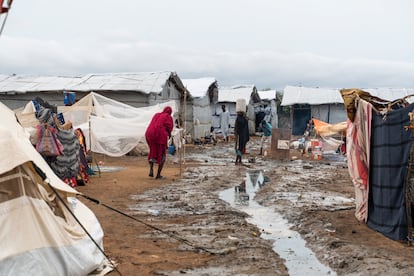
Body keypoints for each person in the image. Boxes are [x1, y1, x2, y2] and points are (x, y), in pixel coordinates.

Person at [145, 106, 174, 179]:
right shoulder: (168, 116)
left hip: (149, 133)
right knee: (162, 155)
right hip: (160, 135)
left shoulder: (156, 115)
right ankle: (158, 175)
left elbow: (154, 124)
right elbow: (169, 128)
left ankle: (151, 169)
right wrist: (169, 134)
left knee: (152, 152)